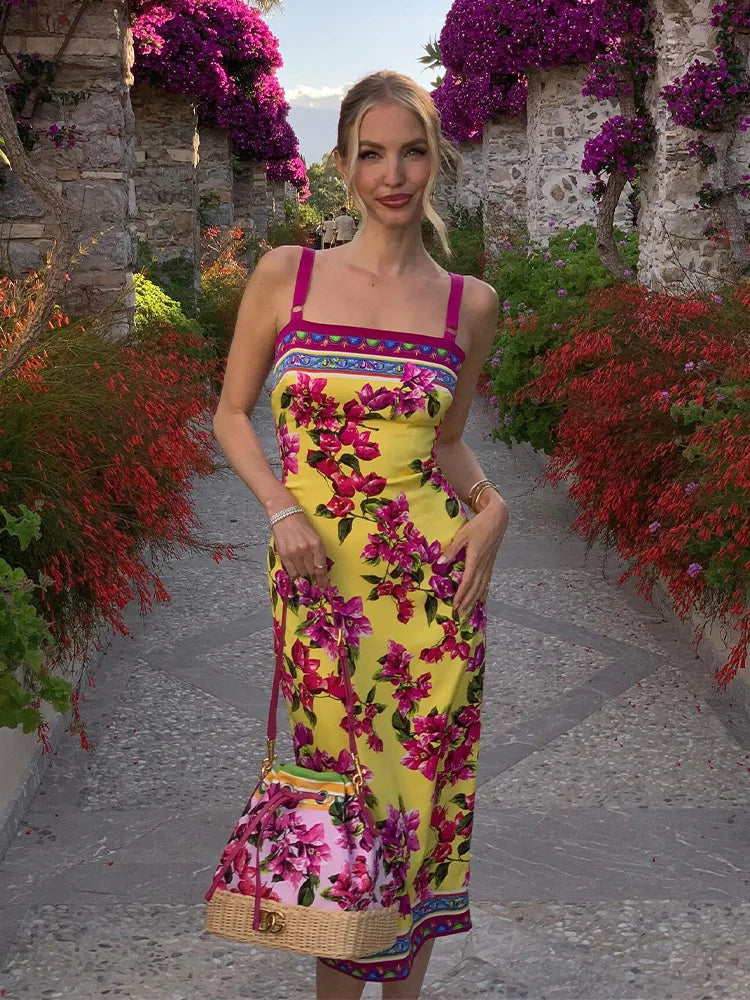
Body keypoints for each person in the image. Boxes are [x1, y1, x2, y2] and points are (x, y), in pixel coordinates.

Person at [212, 69, 508, 1000]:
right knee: (343, 807)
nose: (395, 173)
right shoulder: (285, 277)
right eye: (372, 153)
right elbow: (230, 415)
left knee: (417, 809)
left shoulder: (471, 303)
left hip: (433, 593)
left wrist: (494, 510)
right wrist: (283, 508)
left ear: (436, 160)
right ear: (341, 164)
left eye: (412, 151)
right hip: (322, 594)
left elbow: (449, 442)